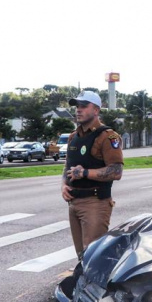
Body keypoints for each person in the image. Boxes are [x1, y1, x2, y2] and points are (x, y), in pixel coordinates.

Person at [61, 91, 124, 259]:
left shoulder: (108, 137)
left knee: (94, 257)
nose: (78, 110)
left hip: (95, 203)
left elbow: (116, 171)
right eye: (77, 106)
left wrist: (85, 173)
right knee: (82, 256)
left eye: (83, 106)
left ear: (96, 110)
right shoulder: (74, 137)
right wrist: (63, 185)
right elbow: (67, 165)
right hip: (73, 202)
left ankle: (97, 285)